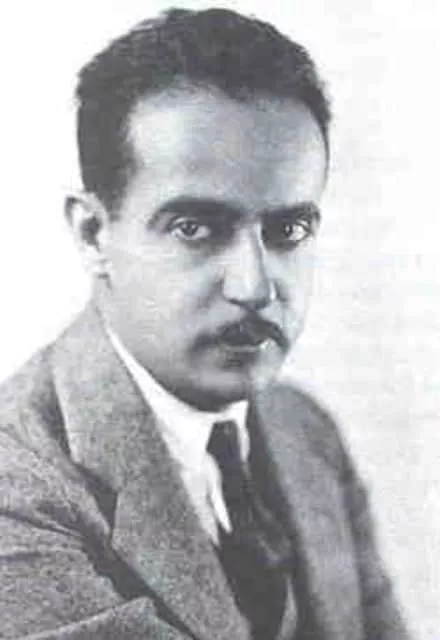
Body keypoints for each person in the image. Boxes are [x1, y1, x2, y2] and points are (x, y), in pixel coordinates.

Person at [0, 7, 410, 640]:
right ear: (93, 234)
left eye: (288, 229)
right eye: (195, 228)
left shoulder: (305, 431)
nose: (254, 287)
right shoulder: (17, 488)